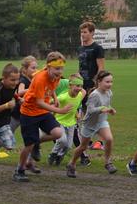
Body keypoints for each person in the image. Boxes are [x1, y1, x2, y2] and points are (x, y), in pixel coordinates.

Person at [14, 52, 72, 182]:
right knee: (28, 145)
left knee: (58, 133)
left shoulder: (56, 76)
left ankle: (36, 143)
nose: (60, 71)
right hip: (29, 113)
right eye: (57, 68)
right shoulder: (40, 78)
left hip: (42, 112)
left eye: (62, 68)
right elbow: (39, 102)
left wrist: (55, 98)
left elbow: (51, 88)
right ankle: (19, 170)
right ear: (48, 67)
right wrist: (59, 110)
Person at [66, 70, 117, 178]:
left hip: (101, 121)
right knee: (83, 147)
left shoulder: (109, 93)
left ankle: (108, 162)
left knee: (109, 139)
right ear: (99, 81)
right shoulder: (95, 95)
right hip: (89, 124)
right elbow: (90, 110)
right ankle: (72, 164)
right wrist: (102, 109)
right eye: (107, 82)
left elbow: (106, 106)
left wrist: (110, 110)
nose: (110, 84)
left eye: (111, 82)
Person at [77, 21, 106, 159]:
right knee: (83, 112)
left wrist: (96, 84)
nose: (83, 35)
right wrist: (77, 81)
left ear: (92, 33)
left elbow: (101, 67)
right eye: (81, 32)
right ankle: (86, 141)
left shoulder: (97, 48)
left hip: (93, 85)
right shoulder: (80, 48)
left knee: (96, 112)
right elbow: (80, 66)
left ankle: (100, 141)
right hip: (81, 85)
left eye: (85, 32)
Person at [48, 74, 86, 166]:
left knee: (68, 146)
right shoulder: (63, 97)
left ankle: (60, 155)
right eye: (77, 86)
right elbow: (49, 102)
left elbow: (76, 104)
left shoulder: (80, 95)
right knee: (62, 141)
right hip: (59, 121)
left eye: (81, 86)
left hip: (71, 123)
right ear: (70, 86)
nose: (79, 88)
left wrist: (77, 114)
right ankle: (53, 154)